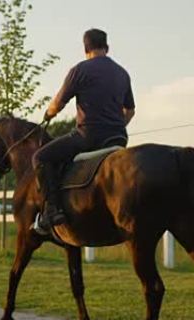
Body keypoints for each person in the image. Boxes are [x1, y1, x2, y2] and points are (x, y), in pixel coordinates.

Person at [33, 28, 135, 230]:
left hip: (87, 137)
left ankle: (52, 210)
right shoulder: (122, 73)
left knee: (40, 158)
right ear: (107, 47)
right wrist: (116, 126)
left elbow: (57, 104)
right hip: (118, 139)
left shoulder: (80, 70)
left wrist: (48, 115)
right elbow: (130, 111)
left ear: (85, 49)